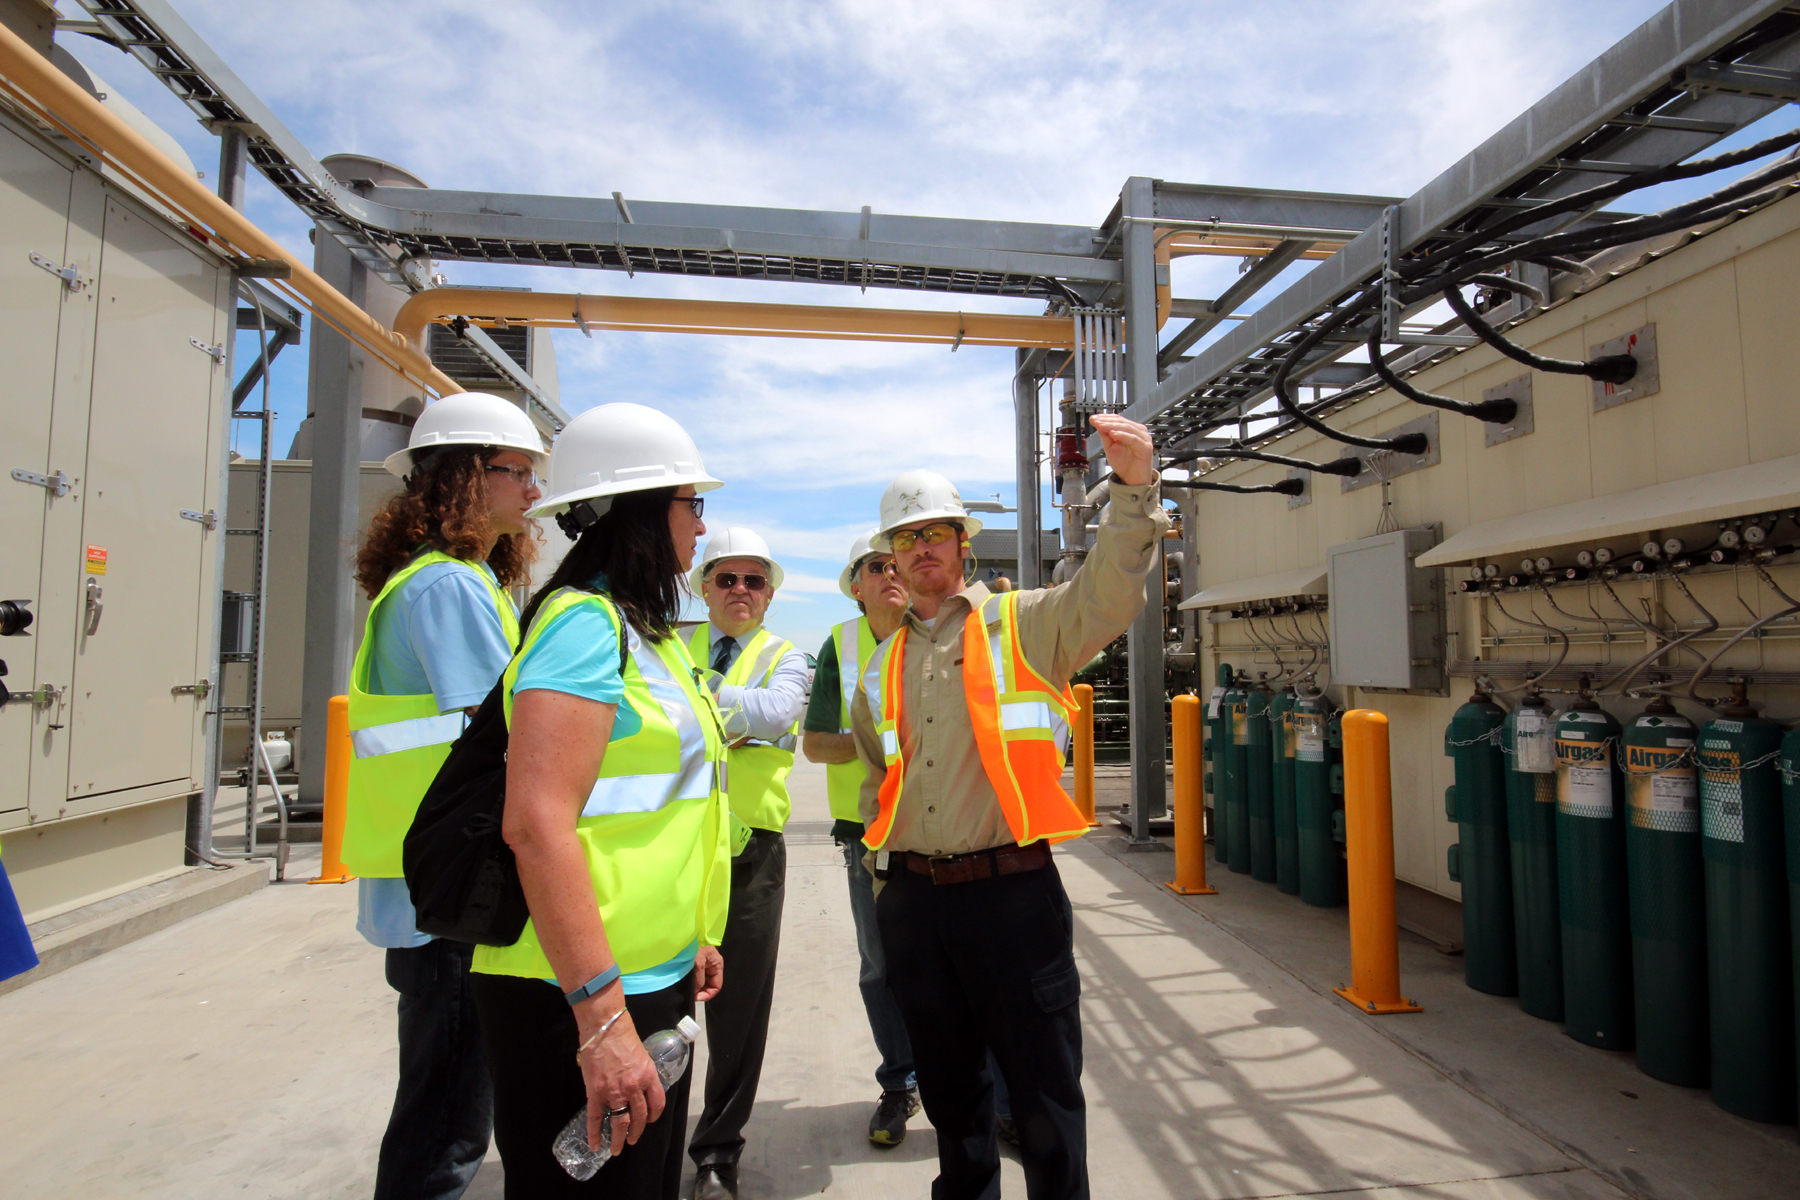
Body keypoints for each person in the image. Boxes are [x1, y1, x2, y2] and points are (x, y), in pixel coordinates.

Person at [849, 414, 1167, 1200]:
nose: (922, 548)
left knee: (1046, 1099)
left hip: (1011, 897)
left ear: (963, 542)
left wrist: (1132, 489)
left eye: (937, 532)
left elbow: (1109, 591)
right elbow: (877, 781)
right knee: (954, 1103)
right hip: (916, 907)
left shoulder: (1025, 624)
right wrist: (886, 883)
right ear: (890, 557)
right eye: (906, 537)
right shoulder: (881, 666)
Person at [469, 402, 732, 1200]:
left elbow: (676, 803)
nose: (701, 528)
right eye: (693, 506)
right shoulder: (583, 626)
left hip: (646, 977)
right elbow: (536, 821)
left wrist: (694, 938)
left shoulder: (645, 633)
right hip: (572, 993)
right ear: (647, 512)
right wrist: (602, 1017)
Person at [346, 390, 547, 1200]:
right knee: (447, 1122)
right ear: (470, 477)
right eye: (519, 473)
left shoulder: (443, 580)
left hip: (428, 888)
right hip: (452, 896)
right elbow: (507, 733)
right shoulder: (450, 590)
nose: (534, 493)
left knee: (445, 1098)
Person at [682, 527, 810, 1200]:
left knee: (737, 1013)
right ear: (703, 587)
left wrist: (694, 701)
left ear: (768, 596)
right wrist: (737, 714)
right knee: (662, 1005)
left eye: (753, 582)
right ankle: (645, 1139)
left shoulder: (785, 656)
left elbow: (782, 711)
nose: (739, 591)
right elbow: (753, 718)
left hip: (750, 853)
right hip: (671, 849)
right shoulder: (669, 647)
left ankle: (716, 1153)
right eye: (726, 579)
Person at [800, 531, 920, 1146]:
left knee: (962, 968)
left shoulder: (942, 630)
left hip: (942, 829)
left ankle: (994, 1093)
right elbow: (816, 743)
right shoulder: (840, 646)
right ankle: (899, 1084)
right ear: (855, 585)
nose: (891, 573)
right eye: (876, 566)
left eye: (897, 563)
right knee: (880, 969)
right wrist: (885, 744)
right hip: (866, 837)